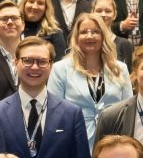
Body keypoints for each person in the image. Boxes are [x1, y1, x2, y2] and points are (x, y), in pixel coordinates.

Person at [49, 11, 132, 143]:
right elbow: (54, 113)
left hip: (113, 141)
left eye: (95, 32)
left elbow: (129, 111)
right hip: (74, 140)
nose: (89, 36)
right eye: (83, 32)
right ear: (76, 37)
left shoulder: (120, 69)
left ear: (103, 36)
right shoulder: (60, 69)